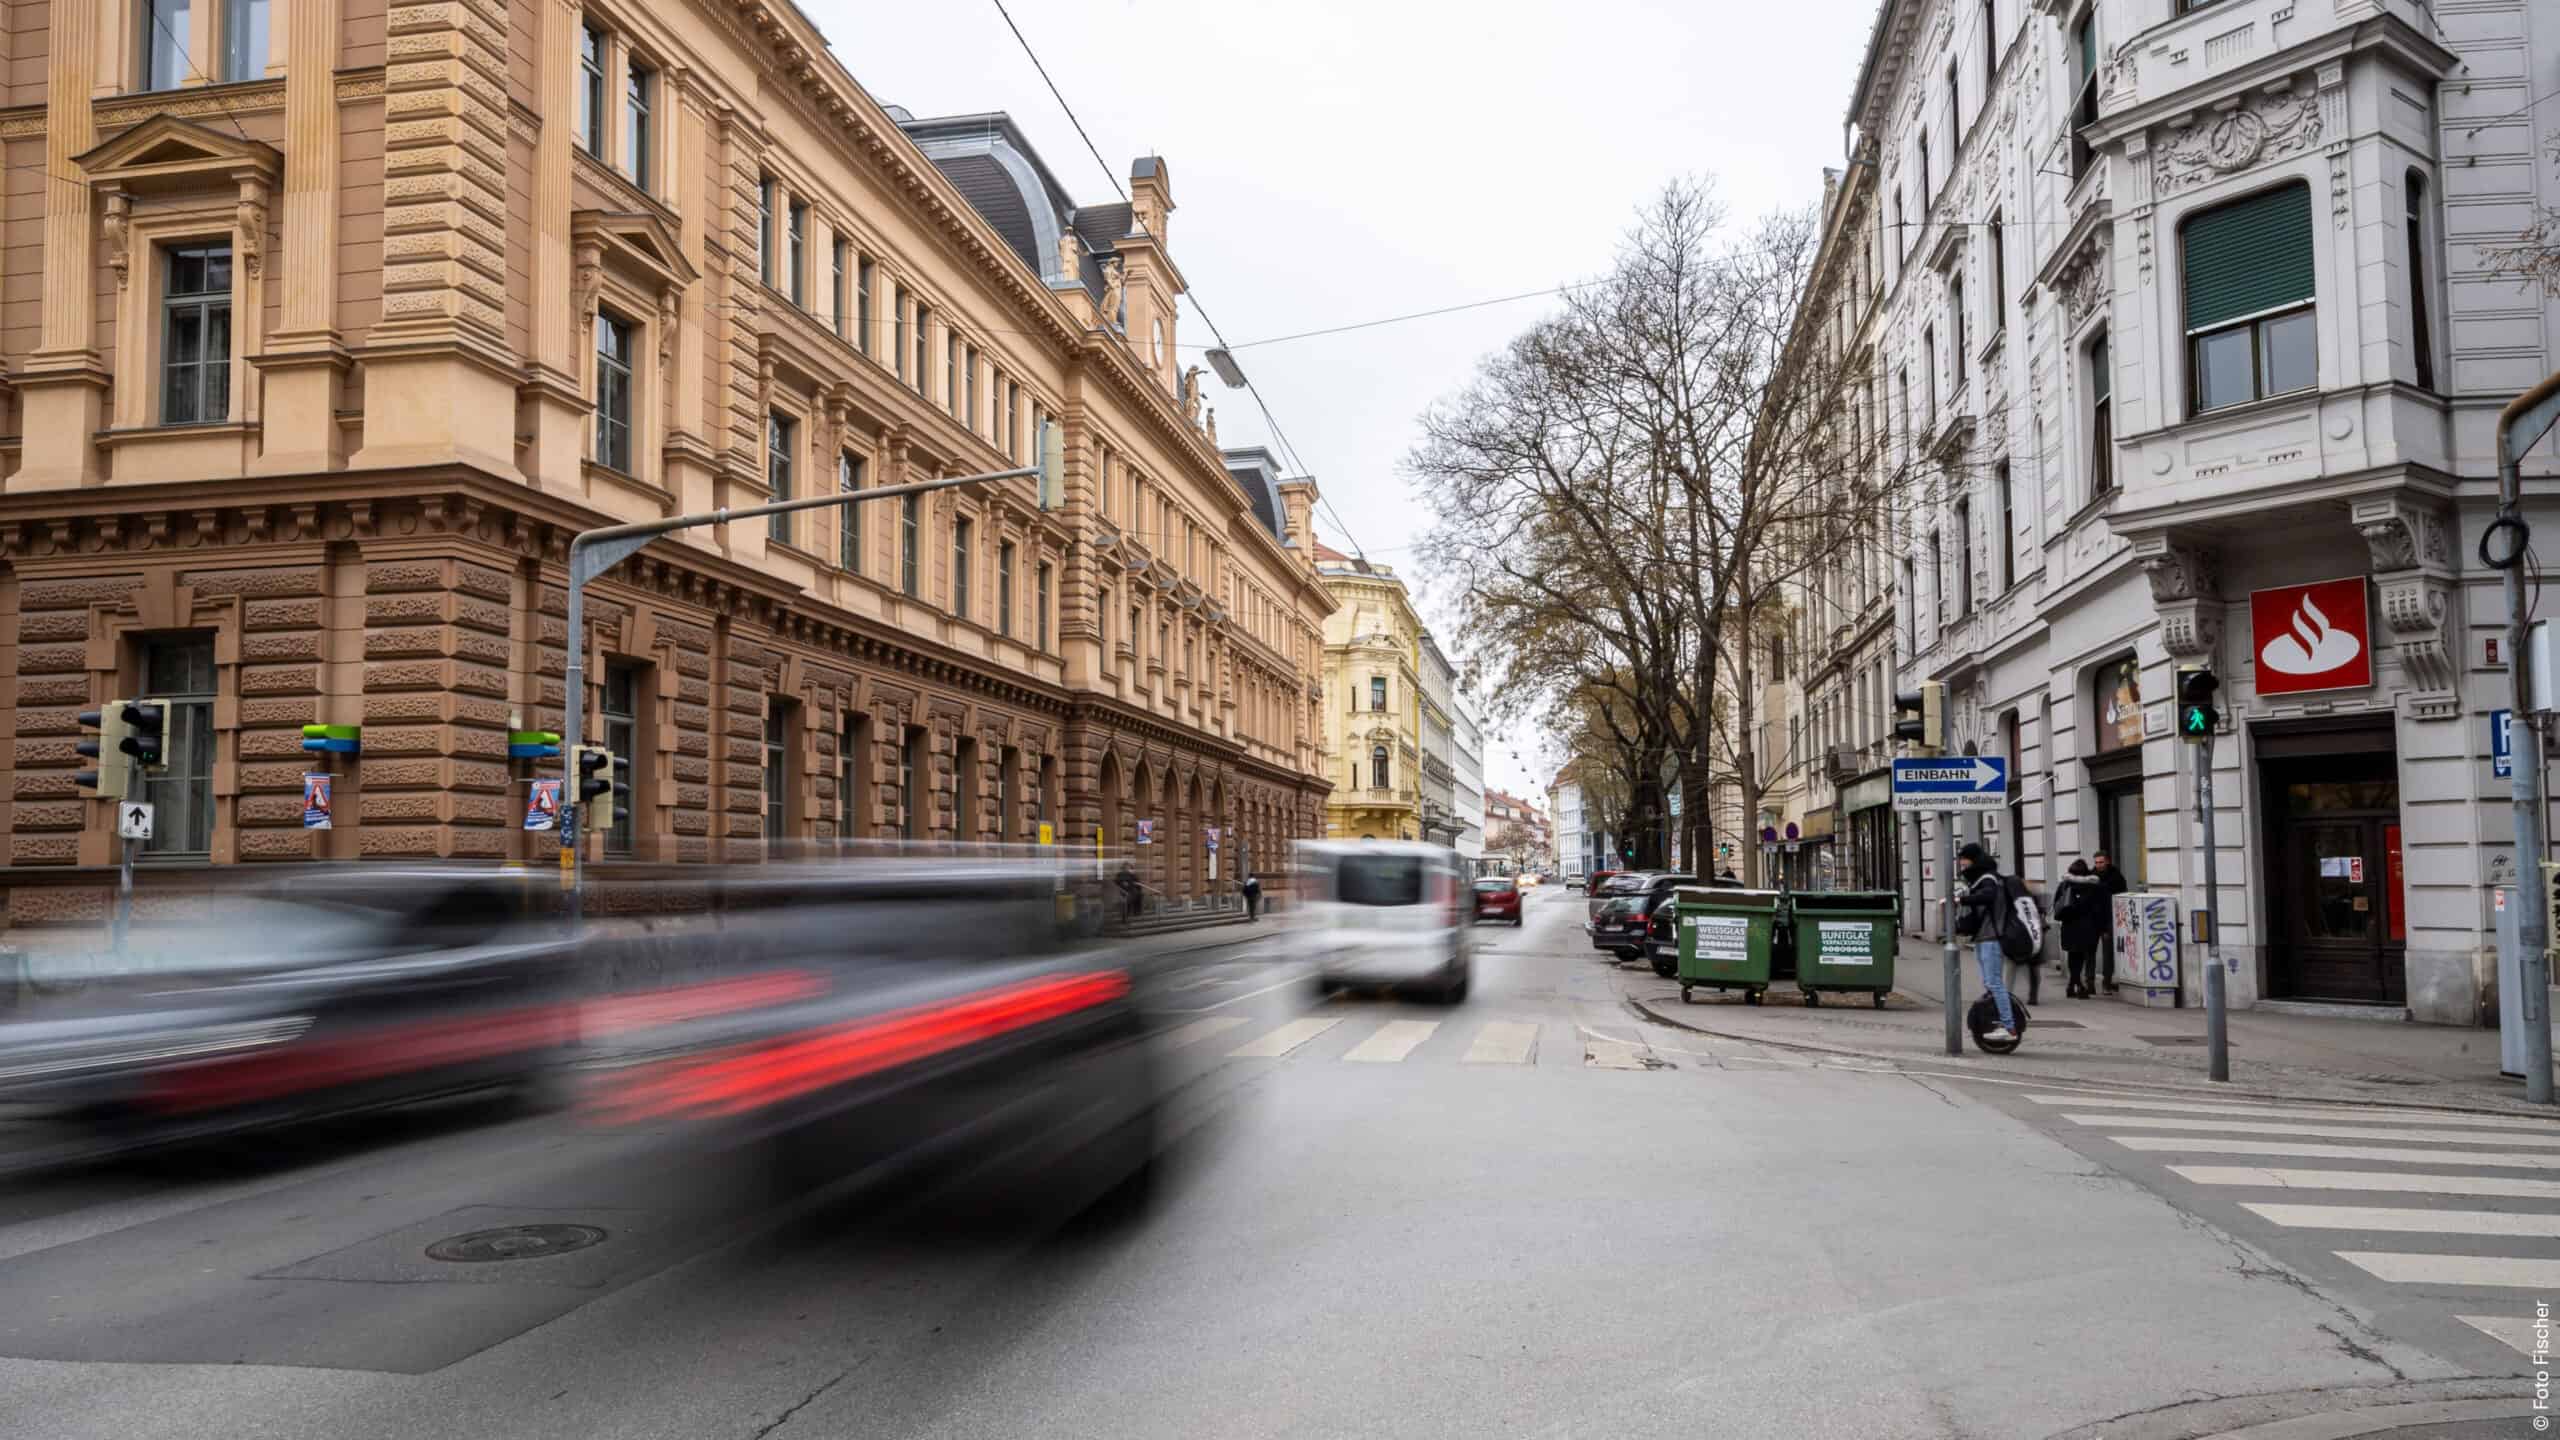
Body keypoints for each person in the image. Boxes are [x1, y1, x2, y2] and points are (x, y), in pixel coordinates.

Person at [1954, 842, 2018, 1043]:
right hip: (1982, 938)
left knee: (1995, 983)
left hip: (1991, 937)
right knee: (1989, 983)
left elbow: (1988, 896)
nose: (1961, 863)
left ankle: (2009, 1027)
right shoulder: (1981, 878)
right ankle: (1996, 1021)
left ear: (1972, 859)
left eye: (1963, 859)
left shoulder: (1988, 878)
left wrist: (1963, 901)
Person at [2054, 859, 2108, 998]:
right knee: (2085, 956)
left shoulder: (2065, 885)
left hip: (2070, 925)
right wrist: (2103, 928)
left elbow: (2057, 904)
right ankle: (2081, 985)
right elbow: (2102, 909)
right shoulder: (2096, 887)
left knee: (2073, 956)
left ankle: (2073, 984)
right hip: (2088, 927)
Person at [2092, 850, 2130, 994]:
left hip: (2110, 918)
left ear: (2107, 861)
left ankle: (2106, 982)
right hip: (2094, 919)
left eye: (2101, 862)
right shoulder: (2091, 876)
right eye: (2096, 862)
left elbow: (2122, 895)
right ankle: (2090, 981)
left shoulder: (2116, 877)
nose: (2098, 865)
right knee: (2090, 952)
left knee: (2109, 952)